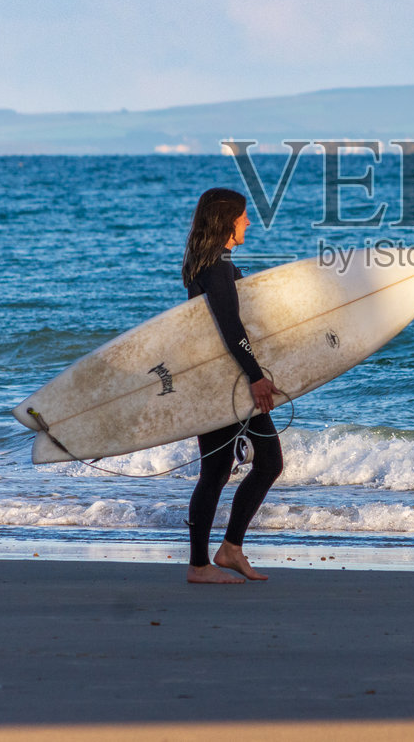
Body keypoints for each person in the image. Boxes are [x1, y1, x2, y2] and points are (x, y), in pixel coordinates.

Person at [180, 187, 283, 584]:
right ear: (227, 220)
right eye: (243, 216)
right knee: (265, 462)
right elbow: (230, 327)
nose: (248, 222)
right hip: (228, 384)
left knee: (218, 469)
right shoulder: (216, 267)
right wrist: (256, 376)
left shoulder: (208, 264)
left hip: (218, 382)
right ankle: (212, 558)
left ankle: (216, 556)